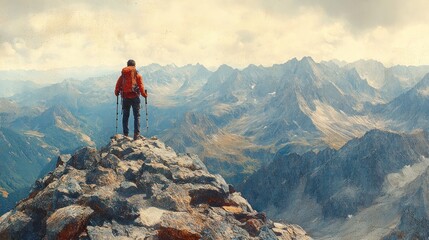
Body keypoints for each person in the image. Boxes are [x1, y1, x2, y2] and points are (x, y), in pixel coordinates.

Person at [115, 59, 148, 140]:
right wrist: (144, 95)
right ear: (134, 66)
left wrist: (117, 92)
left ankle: (125, 134)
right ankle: (136, 135)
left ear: (127, 65)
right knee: (137, 116)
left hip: (125, 97)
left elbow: (117, 86)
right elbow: (141, 87)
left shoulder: (123, 76)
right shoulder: (137, 75)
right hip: (135, 97)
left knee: (125, 116)